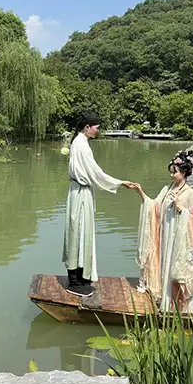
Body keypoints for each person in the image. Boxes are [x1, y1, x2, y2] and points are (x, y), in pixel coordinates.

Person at [63, 112, 134, 297]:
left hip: (79, 192)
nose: (97, 130)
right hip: (80, 193)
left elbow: (94, 174)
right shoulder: (81, 144)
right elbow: (96, 174)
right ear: (87, 127)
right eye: (96, 127)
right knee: (78, 233)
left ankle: (80, 277)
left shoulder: (80, 142)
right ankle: (74, 281)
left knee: (80, 233)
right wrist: (120, 183)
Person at [131, 149, 193, 313]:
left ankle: (181, 307)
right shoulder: (167, 188)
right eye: (171, 172)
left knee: (177, 271)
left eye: (175, 172)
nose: (172, 176)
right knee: (166, 266)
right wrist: (141, 193)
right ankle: (167, 304)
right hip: (166, 236)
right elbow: (155, 206)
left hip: (180, 240)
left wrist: (180, 209)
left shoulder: (190, 193)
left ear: (183, 172)